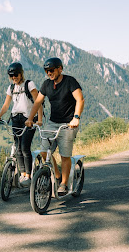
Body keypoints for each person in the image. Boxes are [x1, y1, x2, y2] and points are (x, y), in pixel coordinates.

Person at [25, 57, 85, 195]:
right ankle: (57, 175)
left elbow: (80, 99)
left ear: (60, 69)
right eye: (46, 70)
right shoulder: (46, 84)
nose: (49, 73)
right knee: (44, 151)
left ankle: (63, 184)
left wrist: (76, 118)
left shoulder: (70, 81)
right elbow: (37, 102)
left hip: (68, 124)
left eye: (51, 70)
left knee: (65, 156)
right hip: (52, 123)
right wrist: (29, 119)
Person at [0, 62, 43, 187]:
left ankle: (28, 175)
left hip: (28, 119)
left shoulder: (29, 84)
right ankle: (22, 174)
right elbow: (6, 105)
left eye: (16, 75)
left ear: (21, 74)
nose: (14, 77)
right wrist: (0, 115)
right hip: (16, 119)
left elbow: (38, 101)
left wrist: (39, 119)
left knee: (24, 148)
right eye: (11, 75)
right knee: (17, 148)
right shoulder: (11, 88)